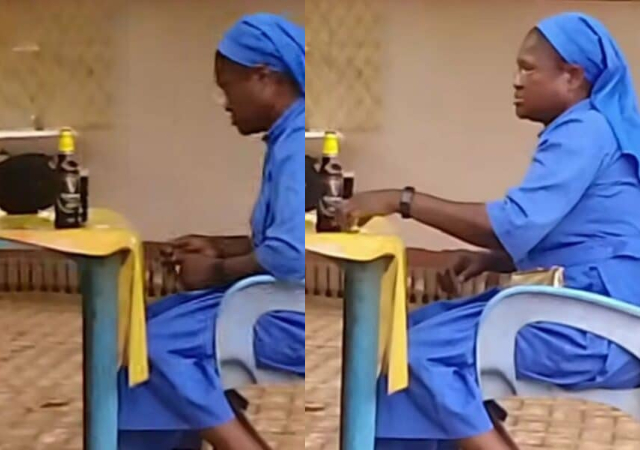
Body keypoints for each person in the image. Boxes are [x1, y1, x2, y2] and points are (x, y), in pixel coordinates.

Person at [338, 12, 640, 450]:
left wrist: (401, 200)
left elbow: (514, 223)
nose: (517, 81)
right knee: (409, 337)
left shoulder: (585, 130)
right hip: (593, 312)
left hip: (597, 330)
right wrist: (491, 260)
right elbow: (580, 236)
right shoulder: (596, 128)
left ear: (573, 76)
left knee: (422, 354)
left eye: (528, 69)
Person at [117, 13, 305, 450]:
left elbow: (292, 254)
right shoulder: (287, 138)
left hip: (290, 319)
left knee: (158, 348)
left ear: (263, 77)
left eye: (227, 87)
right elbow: (281, 239)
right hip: (278, 303)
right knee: (146, 329)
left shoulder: (294, 145)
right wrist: (218, 247)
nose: (224, 103)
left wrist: (217, 271)